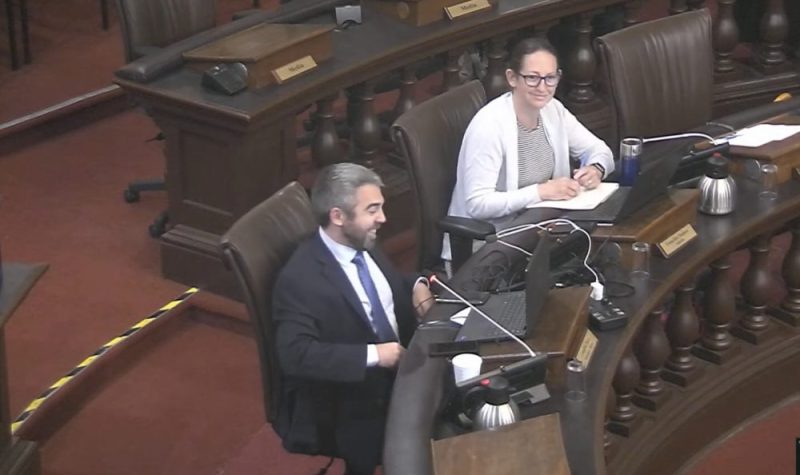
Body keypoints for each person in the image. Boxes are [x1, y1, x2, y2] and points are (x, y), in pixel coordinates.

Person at [272, 163, 434, 475]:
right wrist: (377, 355)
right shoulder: (300, 279)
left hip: (402, 369)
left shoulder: (360, 244)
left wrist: (416, 285)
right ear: (338, 216)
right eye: (372, 210)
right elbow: (295, 355)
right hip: (353, 399)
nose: (383, 219)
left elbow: (385, 288)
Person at [445, 38, 614, 257]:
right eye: (533, 78)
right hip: (490, 247)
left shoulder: (553, 110)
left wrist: (596, 168)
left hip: (542, 233)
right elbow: (478, 204)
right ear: (512, 78)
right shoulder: (489, 126)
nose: (543, 88)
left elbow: (600, 150)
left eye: (550, 78)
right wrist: (541, 192)